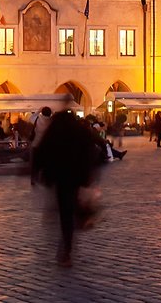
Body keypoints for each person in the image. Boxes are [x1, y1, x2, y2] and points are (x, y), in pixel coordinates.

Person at [33, 108, 100, 267]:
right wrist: (89, 174)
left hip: (60, 178)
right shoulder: (79, 131)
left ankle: (66, 247)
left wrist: (38, 172)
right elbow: (92, 149)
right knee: (70, 206)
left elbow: (42, 152)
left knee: (64, 212)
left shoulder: (54, 132)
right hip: (75, 177)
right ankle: (69, 239)